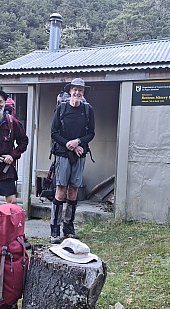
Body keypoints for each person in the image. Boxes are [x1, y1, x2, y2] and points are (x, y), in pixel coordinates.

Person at [50, 78, 95, 244]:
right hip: (62, 154)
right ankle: (54, 228)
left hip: (80, 155)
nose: (77, 93)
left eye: (80, 90)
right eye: (75, 90)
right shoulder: (61, 108)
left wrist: (78, 142)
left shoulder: (88, 110)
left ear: (83, 93)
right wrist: (71, 145)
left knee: (74, 190)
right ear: (70, 91)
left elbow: (91, 133)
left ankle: (68, 226)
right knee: (60, 190)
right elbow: (54, 133)